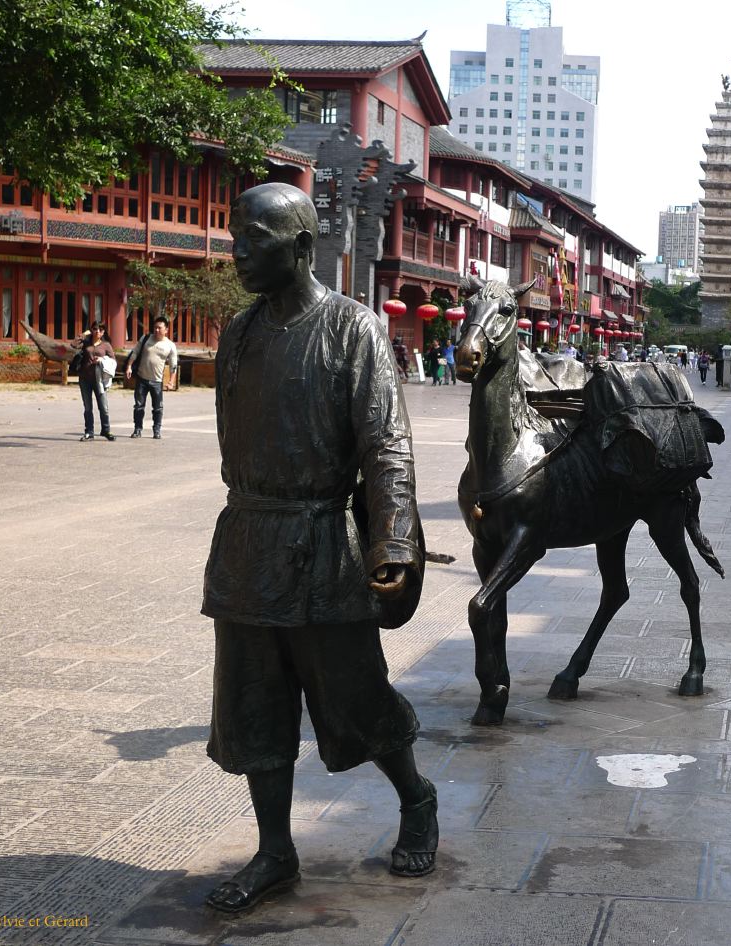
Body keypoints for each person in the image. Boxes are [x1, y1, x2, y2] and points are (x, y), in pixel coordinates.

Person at [201, 183, 436, 915]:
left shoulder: (352, 329)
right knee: (253, 707)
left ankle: (417, 796)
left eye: (254, 239)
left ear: (301, 247)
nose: (237, 251)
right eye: (235, 235)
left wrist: (392, 539)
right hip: (248, 543)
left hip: (323, 546)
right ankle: (275, 851)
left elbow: (385, 446)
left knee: (355, 696)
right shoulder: (237, 334)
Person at [125, 316, 179, 439]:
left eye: (159, 328)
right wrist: (129, 366)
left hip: (157, 381)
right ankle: (137, 430)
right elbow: (135, 352)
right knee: (139, 406)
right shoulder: (146, 338)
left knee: (158, 407)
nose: (156, 330)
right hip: (141, 378)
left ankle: (157, 430)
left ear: (166, 330)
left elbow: (173, 365)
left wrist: (171, 381)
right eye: (155, 327)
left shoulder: (170, 345)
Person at [72, 322, 116, 441]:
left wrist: (102, 359)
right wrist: (82, 335)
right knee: (87, 407)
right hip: (85, 378)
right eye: (95, 329)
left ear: (103, 332)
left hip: (99, 380)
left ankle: (106, 430)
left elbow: (113, 360)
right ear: (91, 330)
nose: (97, 332)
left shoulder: (106, 345)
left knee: (103, 406)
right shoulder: (86, 343)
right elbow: (73, 344)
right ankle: (89, 432)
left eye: (100, 330)